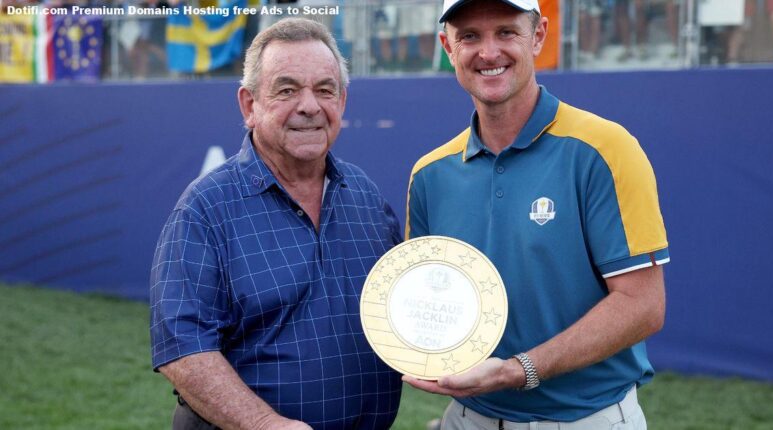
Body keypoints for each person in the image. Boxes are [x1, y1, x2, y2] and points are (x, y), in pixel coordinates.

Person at [404, 1, 669, 429]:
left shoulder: (606, 149)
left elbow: (643, 305)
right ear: (448, 48)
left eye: (506, 32)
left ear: (539, 36)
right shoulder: (429, 174)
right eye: (469, 36)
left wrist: (518, 370)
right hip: (469, 418)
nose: (488, 52)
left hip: (588, 420)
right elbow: (430, 300)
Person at [150, 18, 403, 430]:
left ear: (342, 102)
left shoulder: (365, 197)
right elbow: (183, 348)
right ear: (249, 105)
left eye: (325, 90)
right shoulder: (205, 209)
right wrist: (266, 424)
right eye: (287, 90)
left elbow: (400, 308)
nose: (309, 106)